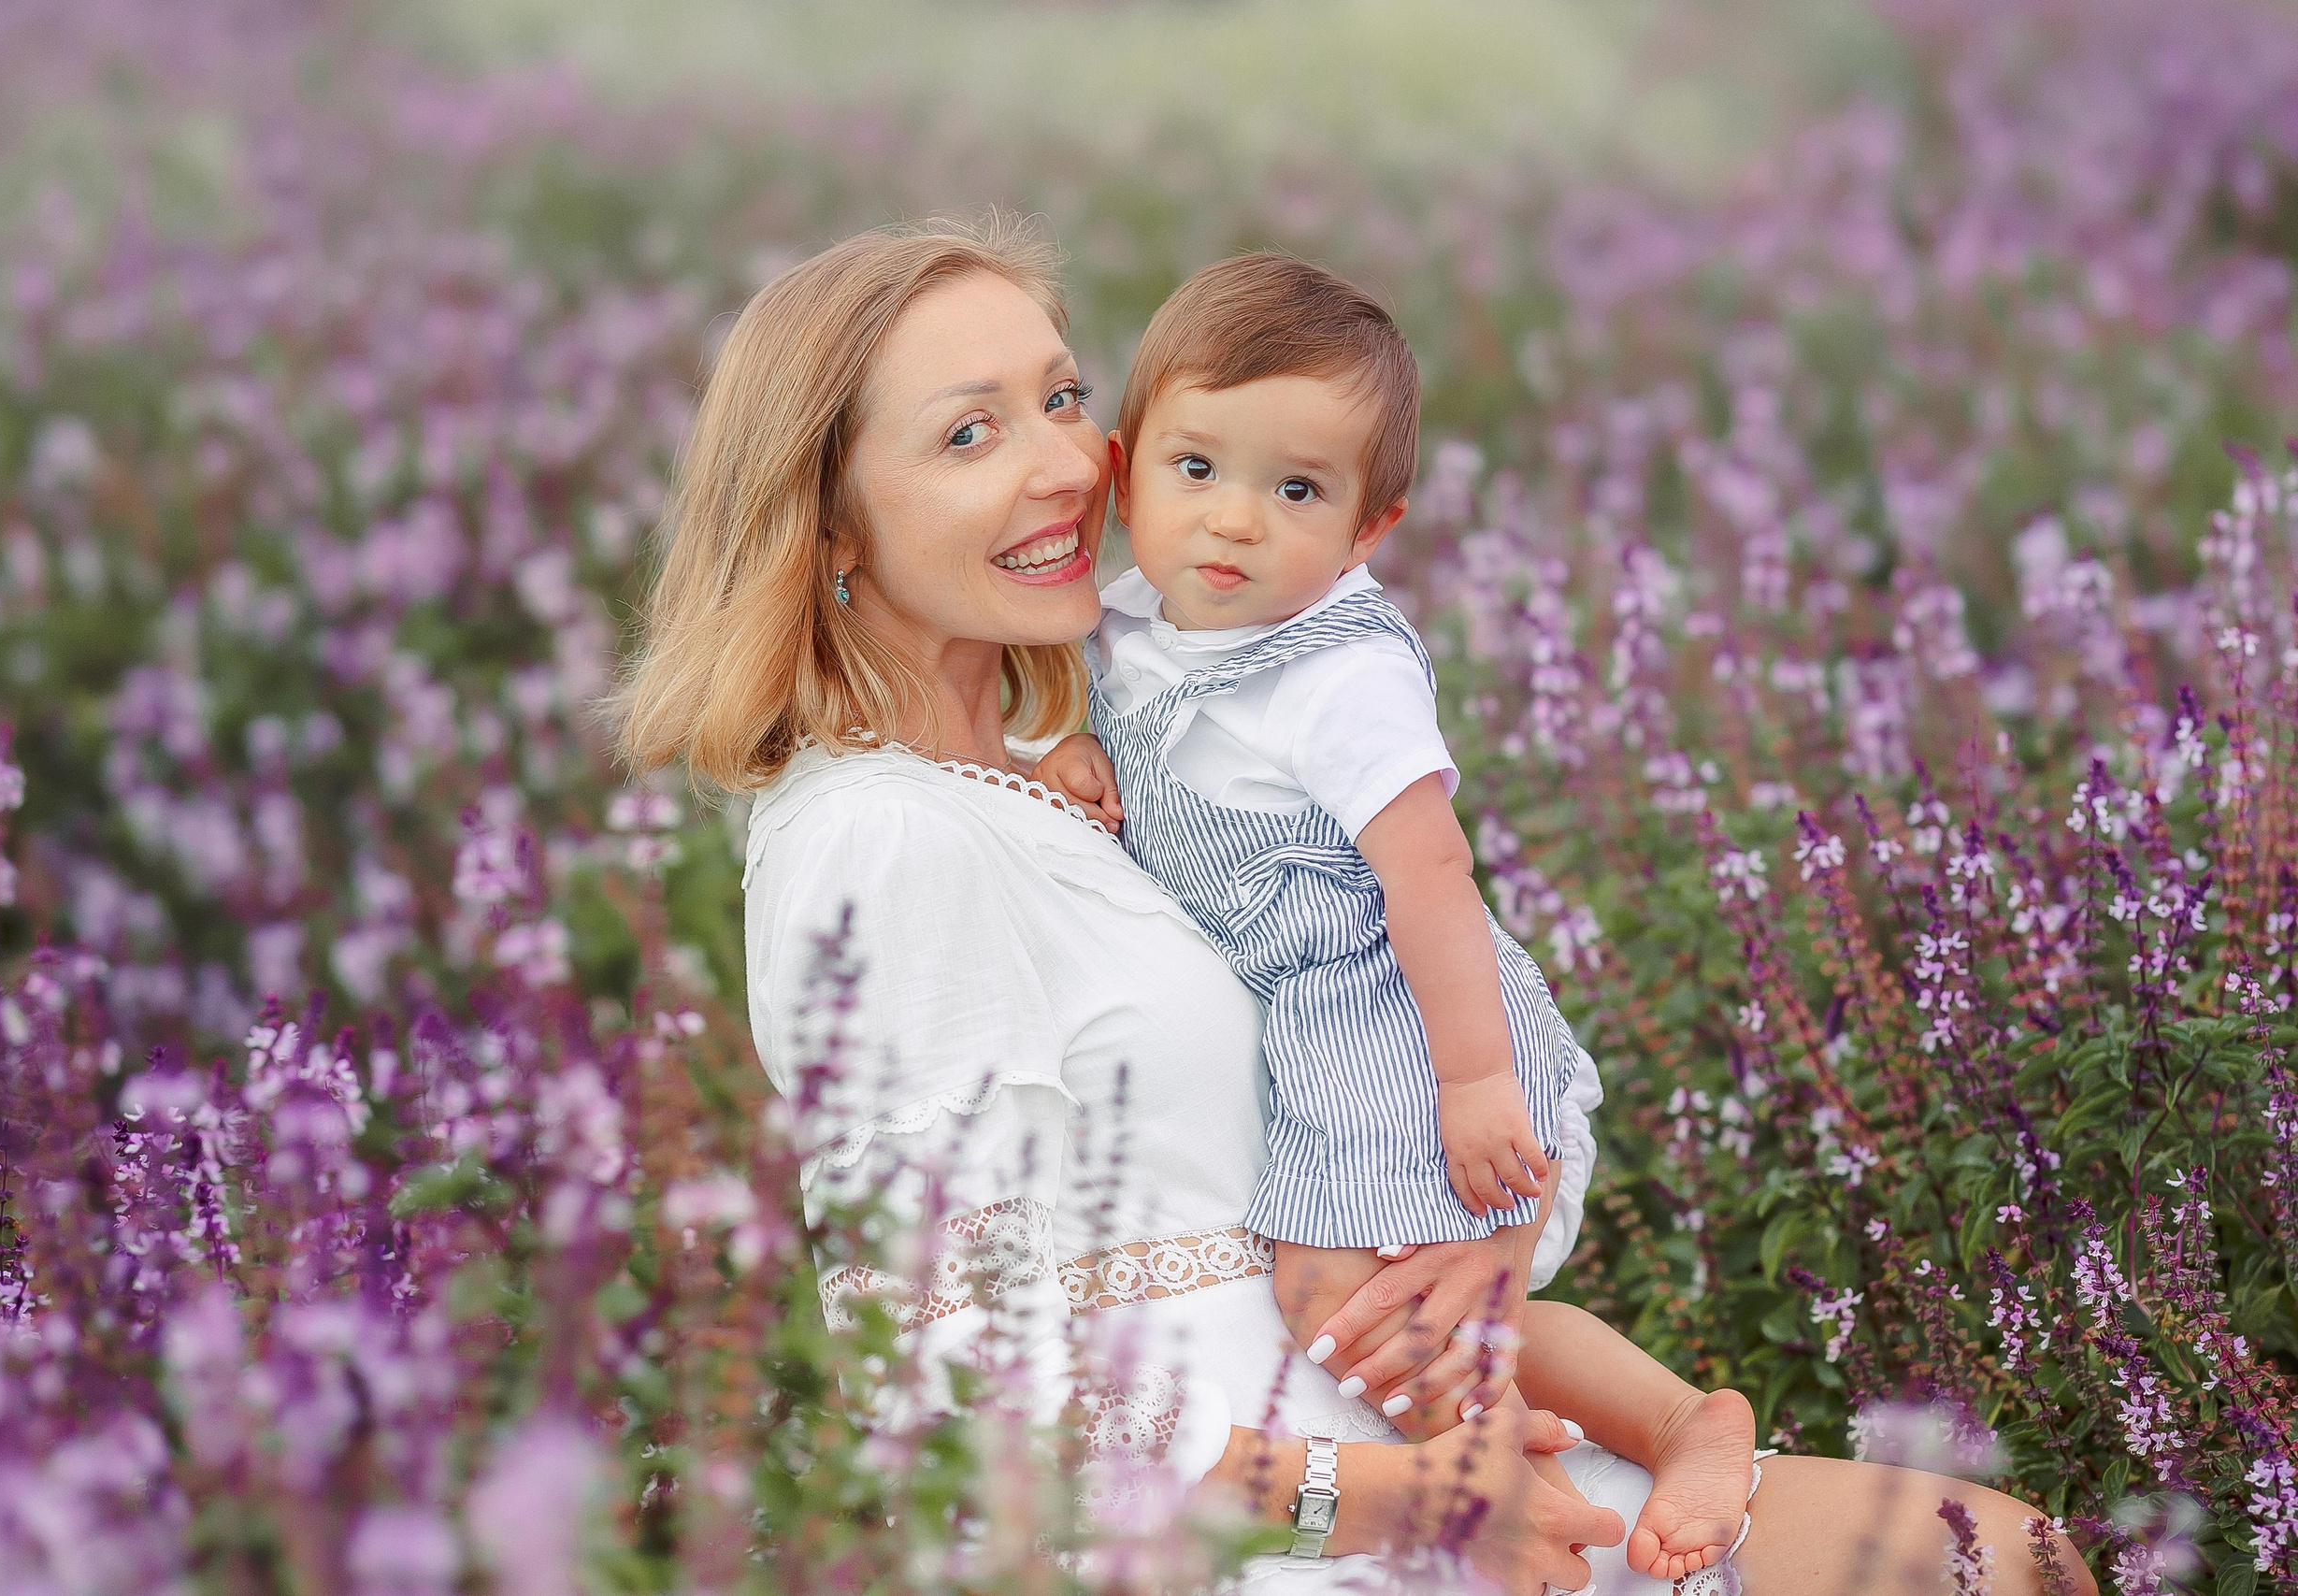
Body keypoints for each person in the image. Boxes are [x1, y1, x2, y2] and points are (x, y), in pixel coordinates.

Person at [614, 214, 2098, 1596]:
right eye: (968, 432)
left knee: (2008, 1560)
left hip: (1402, 1424)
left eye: (1063, 398)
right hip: (1258, 1523)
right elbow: (961, 1408)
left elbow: (1353, 1033)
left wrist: (1476, 1242)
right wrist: (1402, 1500)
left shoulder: (1075, 765)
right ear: (831, 527)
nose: (1068, 464)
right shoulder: (878, 839)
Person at [1026, 250, 1758, 1579]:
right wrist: (1079, 746)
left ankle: (1509, 1497)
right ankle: (1671, 1423)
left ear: (1371, 529)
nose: (1234, 521)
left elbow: (1431, 875)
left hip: (1388, 1013)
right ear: (1126, 475)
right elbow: (1112, 715)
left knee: (1339, 1298)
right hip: (1316, 1024)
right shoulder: (1131, 623)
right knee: (1429, 1296)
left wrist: (1475, 1081)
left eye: (1297, 491)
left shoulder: (1340, 673)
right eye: (1198, 469)